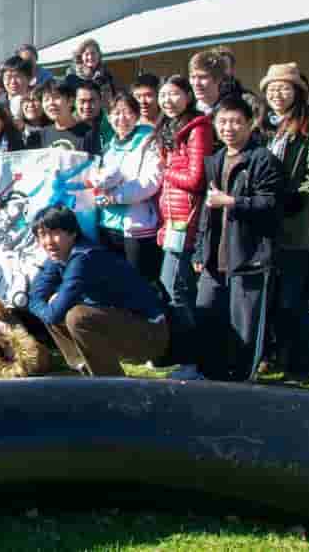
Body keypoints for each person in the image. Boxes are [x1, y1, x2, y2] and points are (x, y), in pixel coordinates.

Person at [189, 95, 283, 382]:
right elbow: (207, 212)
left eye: (236, 121)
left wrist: (231, 201)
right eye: (223, 121)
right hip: (214, 258)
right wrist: (198, 251)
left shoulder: (262, 159)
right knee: (208, 316)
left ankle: (243, 380)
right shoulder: (215, 160)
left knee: (245, 326)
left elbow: (271, 204)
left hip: (250, 256)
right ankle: (211, 376)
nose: (229, 127)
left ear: (249, 124)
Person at [27, 205, 168, 377]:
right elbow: (34, 297)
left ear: (72, 233)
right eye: (42, 235)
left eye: (55, 233)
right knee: (58, 309)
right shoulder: (57, 256)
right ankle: (85, 371)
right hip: (120, 325)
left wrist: (51, 306)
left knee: (76, 316)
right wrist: (49, 307)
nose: (48, 241)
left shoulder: (84, 257)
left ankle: (111, 383)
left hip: (151, 335)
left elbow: (53, 312)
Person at [259, 63, 309, 380]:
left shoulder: (308, 128)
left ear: (298, 92)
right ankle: (271, 355)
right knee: (268, 298)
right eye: (272, 88)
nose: (277, 93)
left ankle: (300, 366)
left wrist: (297, 199)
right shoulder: (262, 126)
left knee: (293, 301)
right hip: (262, 227)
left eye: (284, 87)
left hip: (292, 229)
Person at [153, 74, 213, 380]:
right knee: (172, 289)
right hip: (172, 220)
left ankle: (192, 361)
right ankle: (178, 355)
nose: (167, 100)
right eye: (163, 95)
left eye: (174, 94)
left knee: (177, 290)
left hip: (187, 223)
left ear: (188, 96)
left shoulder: (198, 128)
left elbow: (196, 179)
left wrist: (166, 173)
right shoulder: (170, 129)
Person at [90, 93, 163, 283]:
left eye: (128, 112)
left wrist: (116, 196)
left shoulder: (148, 140)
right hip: (107, 223)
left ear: (137, 115)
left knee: (138, 282)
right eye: (116, 113)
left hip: (135, 226)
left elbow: (151, 181)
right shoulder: (109, 145)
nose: (121, 118)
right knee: (114, 283)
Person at [27, 79, 95, 153]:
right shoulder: (39, 137)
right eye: (46, 99)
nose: (51, 103)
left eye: (56, 97)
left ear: (71, 101)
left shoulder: (89, 134)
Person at [188, 50, 225, 116]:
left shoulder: (230, 112)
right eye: (193, 77)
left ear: (218, 79)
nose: (196, 83)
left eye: (202, 77)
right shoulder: (184, 112)